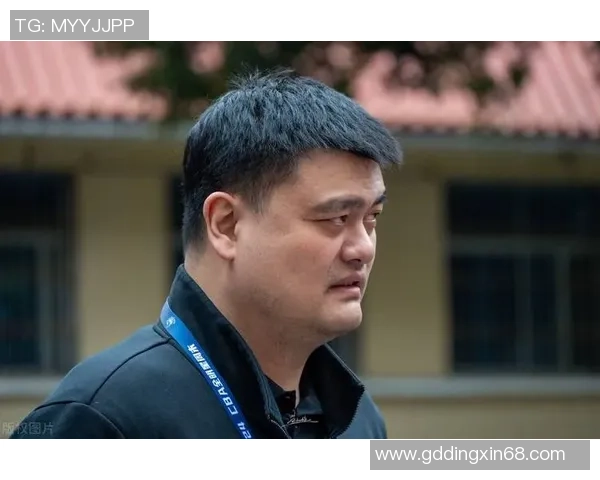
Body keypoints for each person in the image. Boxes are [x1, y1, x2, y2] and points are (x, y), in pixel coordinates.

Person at [10, 68, 402, 439]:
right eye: (336, 218)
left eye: (372, 219)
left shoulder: (357, 420)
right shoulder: (103, 419)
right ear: (226, 225)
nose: (363, 248)